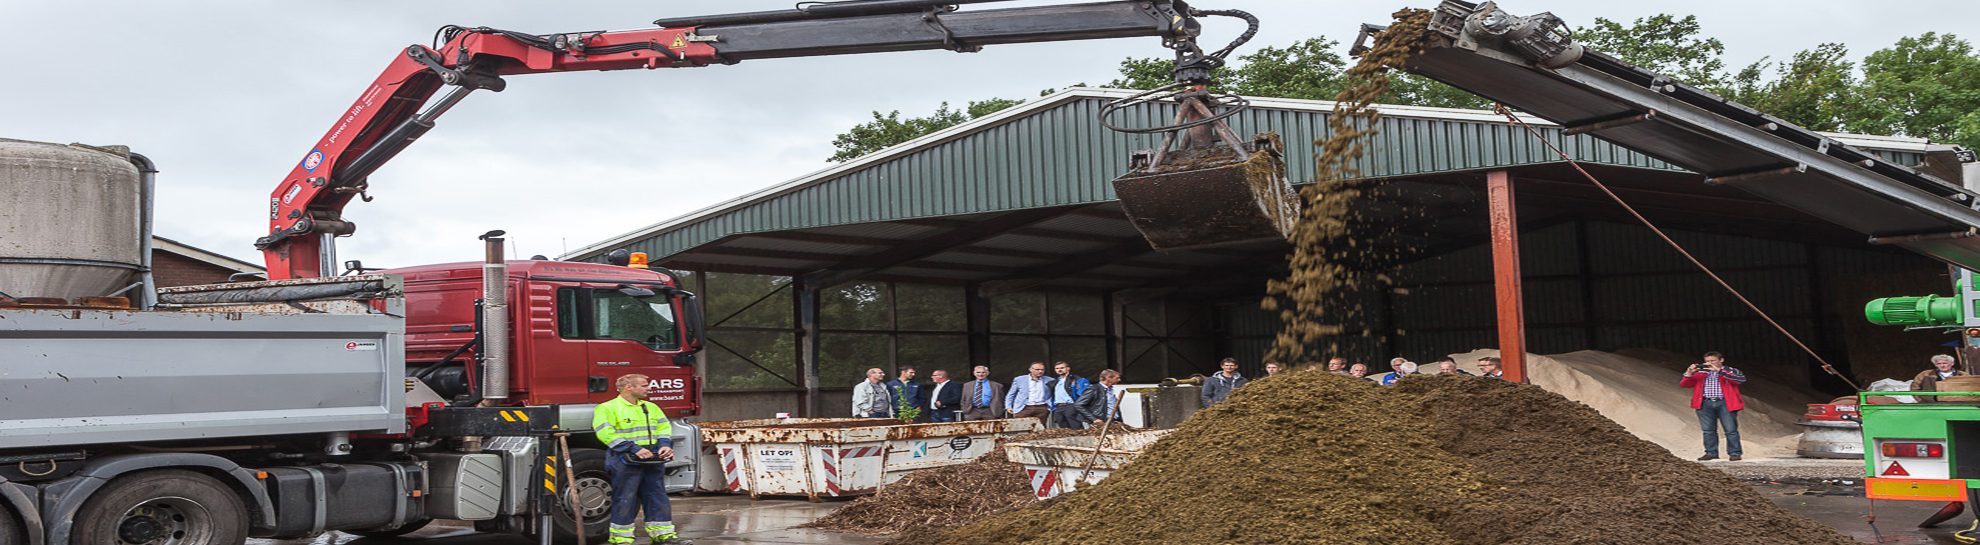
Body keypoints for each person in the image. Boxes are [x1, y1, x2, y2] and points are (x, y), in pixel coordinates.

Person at [593, 374, 691, 545]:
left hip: (652, 457)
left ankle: (663, 536)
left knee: (657, 495)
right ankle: (620, 539)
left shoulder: (651, 407)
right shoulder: (607, 408)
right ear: (629, 387)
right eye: (644, 385)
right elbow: (605, 433)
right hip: (624, 458)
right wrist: (634, 448)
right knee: (625, 497)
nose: (648, 388)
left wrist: (665, 444)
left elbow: (663, 426)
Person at [1680, 351, 1747, 462]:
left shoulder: (1730, 370)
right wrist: (1689, 373)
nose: (1709, 363)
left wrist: (1720, 372)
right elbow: (1684, 384)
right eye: (1707, 361)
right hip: (1705, 403)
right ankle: (1711, 453)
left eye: (1712, 361)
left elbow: (1740, 380)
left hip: (1725, 403)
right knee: (1708, 430)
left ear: (1721, 360)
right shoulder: (1701, 372)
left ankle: (1734, 453)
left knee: (1730, 430)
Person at [1049, 361, 1094, 429]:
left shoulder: (1077, 380)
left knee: (1076, 427)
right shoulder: (1055, 382)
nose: (1059, 370)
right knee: (1064, 429)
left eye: (1062, 368)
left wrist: (1078, 405)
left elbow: (1084, 394)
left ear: (1068, 368)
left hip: (1070, 405)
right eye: (1057, 368)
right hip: (1058, 407)